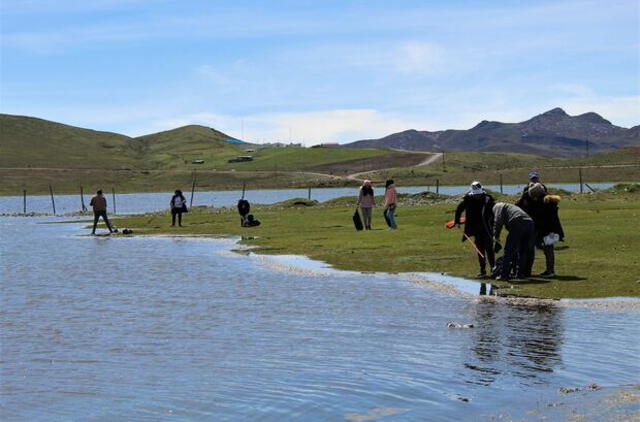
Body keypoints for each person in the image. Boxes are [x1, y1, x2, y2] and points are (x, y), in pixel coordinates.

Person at [454, 181, 496, 277]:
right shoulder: (468, 199)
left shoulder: (488, 199)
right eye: (476, 194)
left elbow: (495, 212)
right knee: (480, 249)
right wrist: (457, 222)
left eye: (479, 194)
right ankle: (482, 270)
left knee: (489, 249)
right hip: (475, 229)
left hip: (487, 228)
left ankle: (493, 269)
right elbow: (459, 209)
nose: (477, 196)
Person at [527, 183, 565, 278]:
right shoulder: (549, 200)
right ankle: (549, 270)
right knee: (548, 250)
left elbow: (542, 217)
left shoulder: (544, 202)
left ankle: (550, 271)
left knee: (548, 250)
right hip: (551, 228)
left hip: (547, 229)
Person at [492, 202, 535, 281]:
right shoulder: (509, 206)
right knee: (523, 250)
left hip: (518, 221)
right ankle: (520, 274)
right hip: (530, 222)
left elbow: (498, 223)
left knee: (508, 250)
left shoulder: (496, 208)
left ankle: (504, 275)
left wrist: (496, 238)